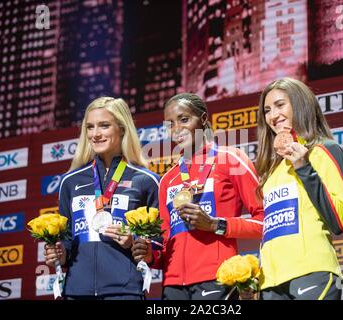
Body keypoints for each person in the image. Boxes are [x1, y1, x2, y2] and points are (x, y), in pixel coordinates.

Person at [131, 93, 264, 300]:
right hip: (173, 286)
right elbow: (166, 243)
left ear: (203, 119)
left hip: (218, 278)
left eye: (184, 120)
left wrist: (216, 225)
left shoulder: (231, 159)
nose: (177, 130)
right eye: (170, 124)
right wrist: (151, 255)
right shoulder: (168, 179)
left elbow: (266, 221)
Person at [44, 97, 160, 300]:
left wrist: (134, 242)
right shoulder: (70, 182)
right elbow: (68, 241)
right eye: (90, 127)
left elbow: (160, 242)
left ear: (122, 129)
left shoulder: (145, 180)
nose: (95, 134)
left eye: (104, 126)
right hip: (76, 292)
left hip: (125, 292)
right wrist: (60, 254)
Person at [255, 77, 343, 300]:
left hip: (311, 273)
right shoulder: (271, 170)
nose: (272, 115)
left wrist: (304, 167)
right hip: (270, 283)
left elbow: (340, 220)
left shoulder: (324, 150)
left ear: (300, 104)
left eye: (280, 105)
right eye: (267, 110)